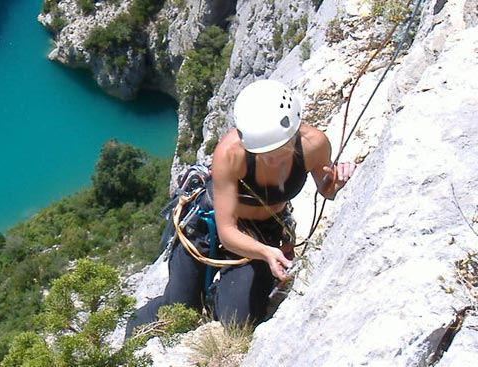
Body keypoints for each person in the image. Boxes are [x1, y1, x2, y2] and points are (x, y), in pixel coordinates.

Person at [127, 79, 356, 335]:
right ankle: (132, 331)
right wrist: (267, 253)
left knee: (239, 322)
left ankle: (218, 296)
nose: (271, 157)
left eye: (280, 148)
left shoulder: (315, 145)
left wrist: (338, 181)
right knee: (179, 308)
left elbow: (326, 190)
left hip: (263, 231)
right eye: (262, 151)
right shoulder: (230, 153)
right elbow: (227, 231)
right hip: (207, 224)